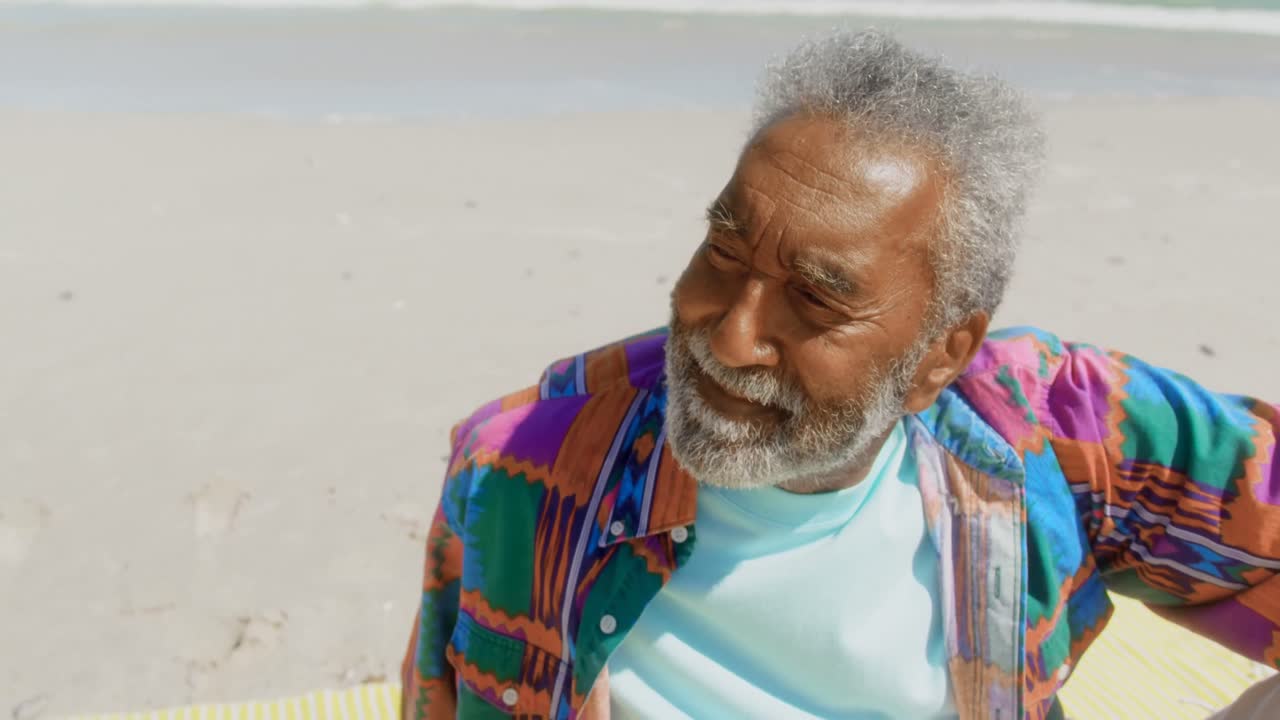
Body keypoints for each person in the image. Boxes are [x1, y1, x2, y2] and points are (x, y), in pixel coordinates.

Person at [399, 30, 1279, 720]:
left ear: (940, 355)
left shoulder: (1062, 432)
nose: (732, 337)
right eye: (723, 250)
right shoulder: (524, 465)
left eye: (817, 301)